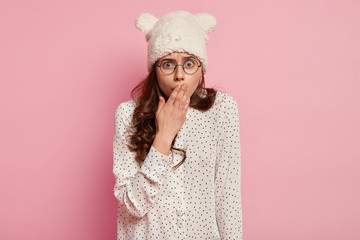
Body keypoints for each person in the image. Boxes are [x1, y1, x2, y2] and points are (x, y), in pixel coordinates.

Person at [113, 10, 242, 240]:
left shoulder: (222, 110)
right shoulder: (127, 115)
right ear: (154, 69)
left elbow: (228, 198)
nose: (180, 75)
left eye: (189, 63)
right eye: (168, 64)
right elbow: (132, 207)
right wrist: (164, 136)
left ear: (201, 67)